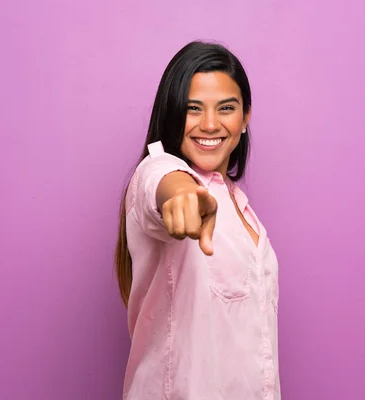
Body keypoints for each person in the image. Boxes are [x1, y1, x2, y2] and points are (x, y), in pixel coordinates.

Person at [115, 41, 280, 399]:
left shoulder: (240, 205)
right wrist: (180, 197)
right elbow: (165, 182)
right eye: (192, 108)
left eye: (226, 108)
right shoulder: (158, 170)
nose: (209, 124)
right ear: (171, 114)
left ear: (245, 117)